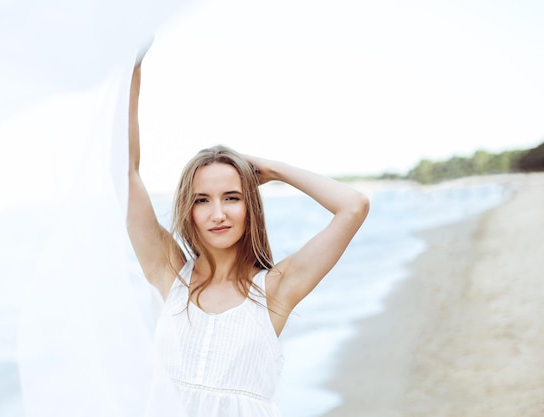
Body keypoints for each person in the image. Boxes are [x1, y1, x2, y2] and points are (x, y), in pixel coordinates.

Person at [127, 55, 369, 417]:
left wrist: (275, 169)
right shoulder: (170, 274)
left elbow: (353, 205)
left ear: (250, 207)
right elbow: (126, 175)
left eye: (232, 198)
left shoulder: (274, 289)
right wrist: (134, 71)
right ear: (188, 211)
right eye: (202, 200)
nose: (218, 214)